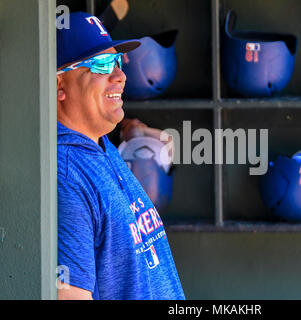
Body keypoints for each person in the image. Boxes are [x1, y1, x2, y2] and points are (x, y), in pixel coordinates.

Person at [56, 11, 185, 300]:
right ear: (58, 85)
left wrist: (133, 131)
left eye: (116, 61)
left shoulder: (99, 144)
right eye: (101, 64)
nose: (120, 75)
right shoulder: (64, 176)